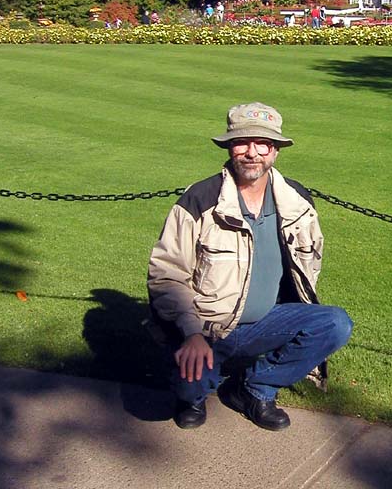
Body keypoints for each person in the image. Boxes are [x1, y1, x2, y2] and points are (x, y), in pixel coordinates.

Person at [147, 102, 353, 431]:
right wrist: (191, 333)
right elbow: (167, 274)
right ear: (230, 146)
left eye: (263, 144)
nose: (252, 153)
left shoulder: (298, 200)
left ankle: (255, 389)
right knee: (189, 386)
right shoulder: (200, 200)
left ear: (276, 151)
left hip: (268, 321)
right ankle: (194, 396)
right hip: (208, 327)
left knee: (335, 324)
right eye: (243, 142)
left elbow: (308, 268)